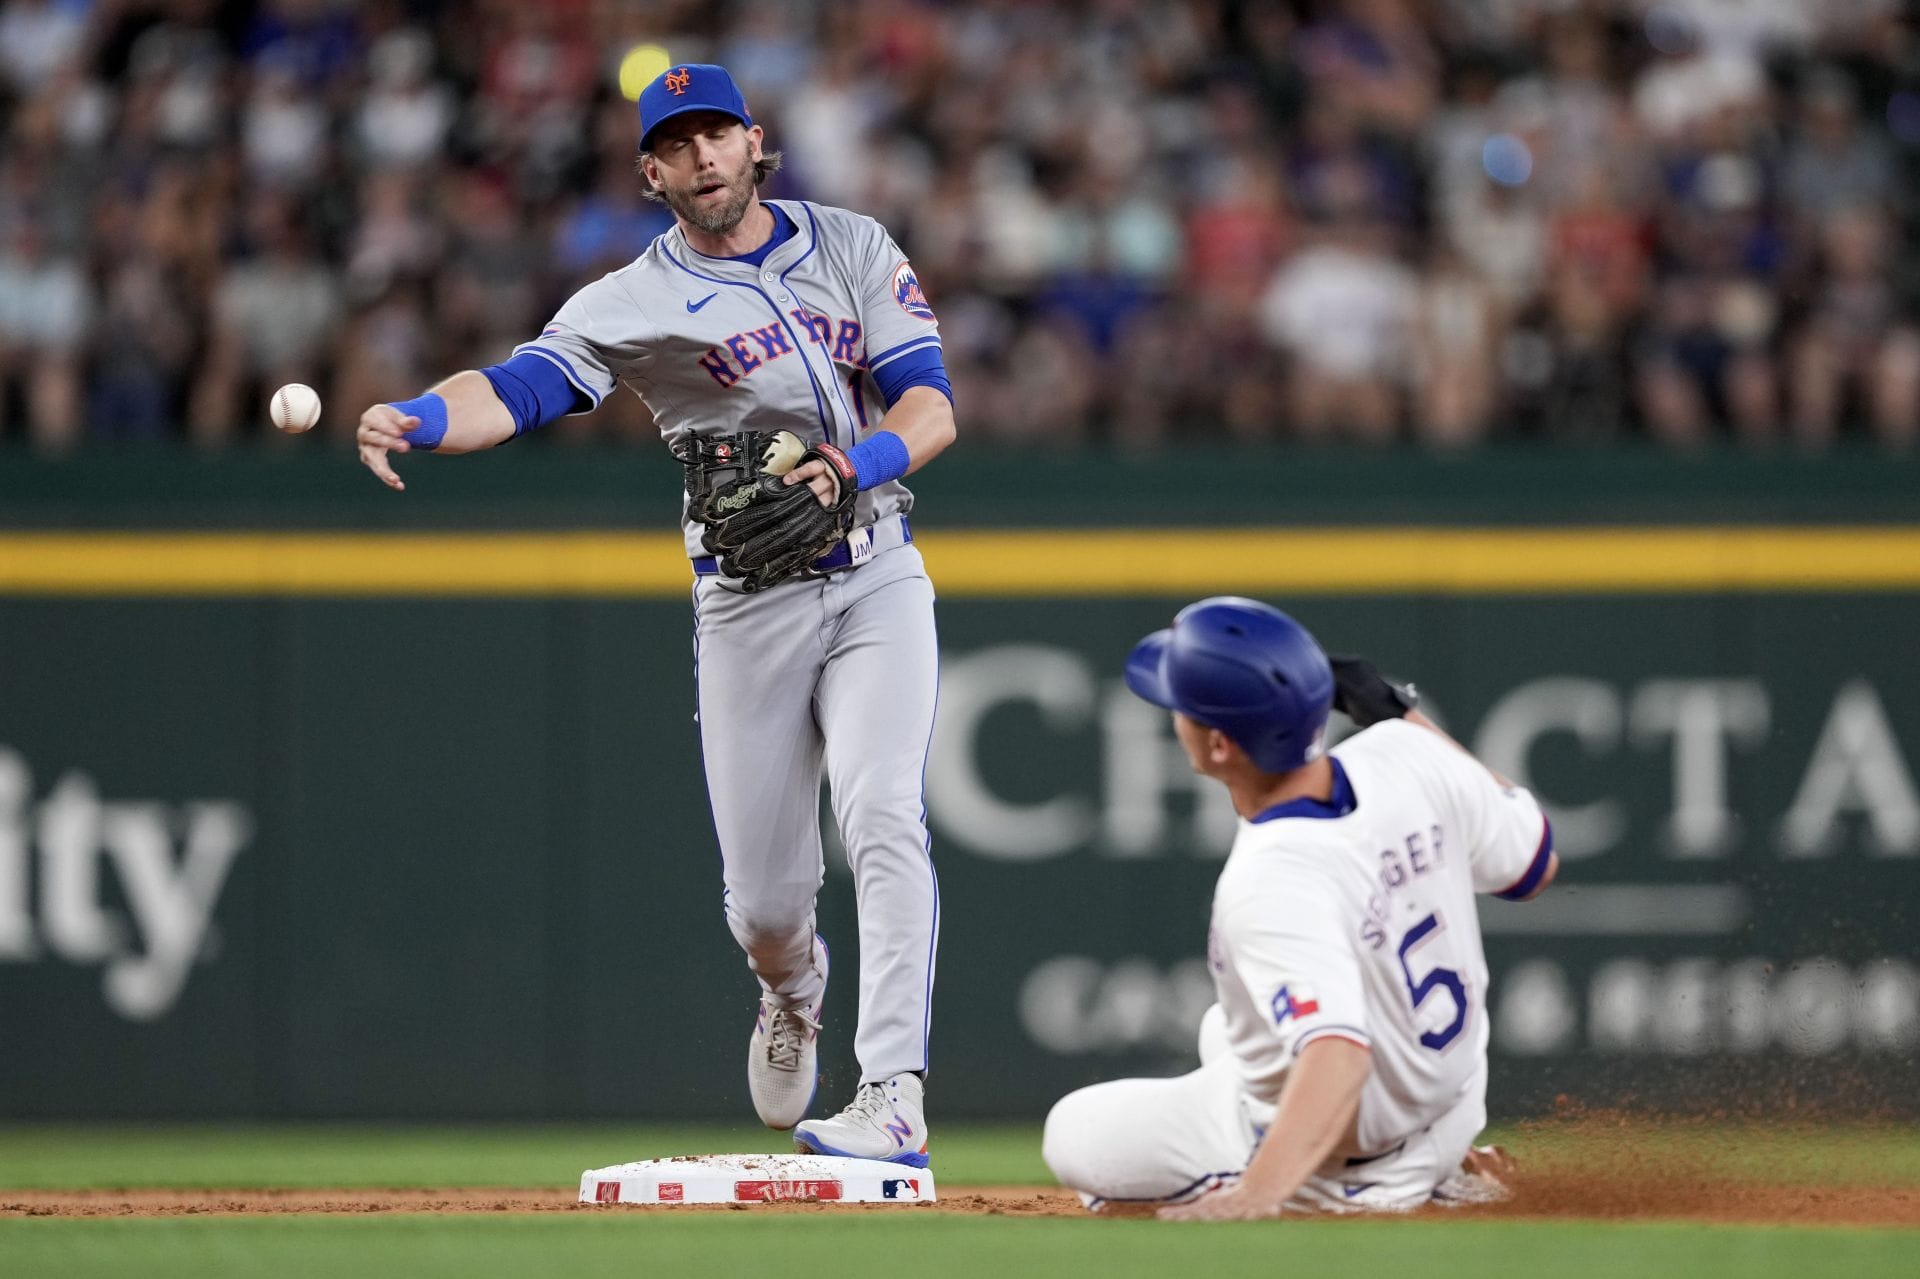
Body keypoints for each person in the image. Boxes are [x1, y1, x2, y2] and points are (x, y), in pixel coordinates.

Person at [354, 64, 954, 1168]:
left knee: (882, 812)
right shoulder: (631, 299)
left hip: (876, 571)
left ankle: (892, 1093)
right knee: (765, 908)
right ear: (650, 174)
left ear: (754, 141)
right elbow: (523, 386)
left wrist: (850, 465)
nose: (701, 156)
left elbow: (930, 407)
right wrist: (423, 416)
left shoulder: (854, 244)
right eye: (676, 144)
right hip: (747, 606)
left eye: (715, 133)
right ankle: (793, 991)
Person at [1042, 597, 1558, 1217]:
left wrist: (1256, 1194)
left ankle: (1363, 1188)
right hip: (1450, 1103)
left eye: (1182, 707)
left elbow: (1338, 1056)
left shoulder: (1273, 876)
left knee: (1072, 1133)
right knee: (1224, 1028)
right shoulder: (1408, 752)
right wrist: (1405, 718)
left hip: (1353, 1160)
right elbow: (1536, 866)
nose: (1174, 717)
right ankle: (1452, 1162)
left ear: (1220, 745)